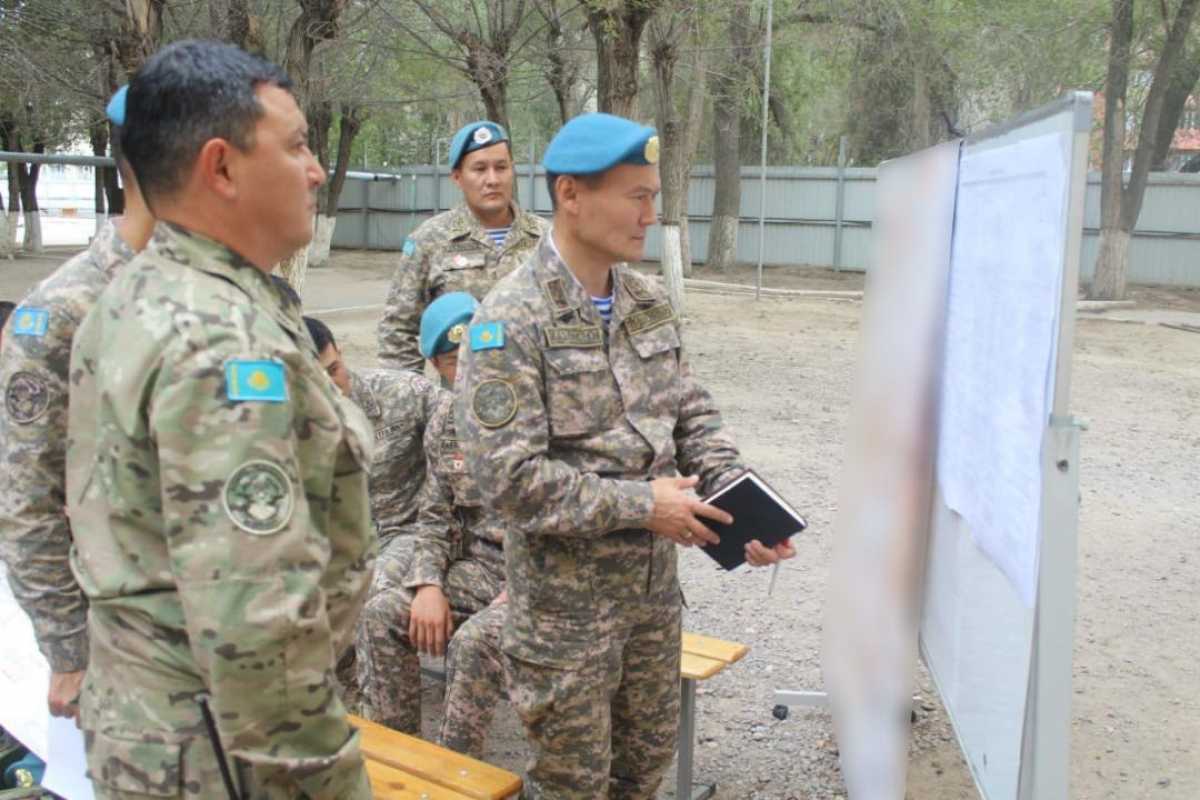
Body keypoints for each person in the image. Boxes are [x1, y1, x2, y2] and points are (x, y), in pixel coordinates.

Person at [65, 41, 374, 799]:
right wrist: (325, 778)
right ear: (223, 168)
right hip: (226, 751)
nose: (316, 169)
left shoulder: (151, 289)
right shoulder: (220, 341)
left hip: (169, 729)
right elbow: (255, 621)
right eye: (297, 144)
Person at [455, 112, 796, 799]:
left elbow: (690, 412)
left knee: (641, 777)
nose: (651, 214)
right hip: (563, 622)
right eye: (635, 196)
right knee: (571, 787)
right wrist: (646, 506)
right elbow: (508, 480)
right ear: (571, 195)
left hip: (649, 605)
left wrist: (738, 503)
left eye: (654, 196)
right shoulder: (509, 320)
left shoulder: (645, 302)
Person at [0, 86, 155, 723]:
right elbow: (26, 496)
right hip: (120, 639)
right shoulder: (63, 311)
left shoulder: (231, 295)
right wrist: (68, 650)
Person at [355, 291, 508, 743]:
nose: (467, 368)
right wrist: (428, 584)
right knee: (381, 614)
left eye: (476, 351)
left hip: (550, 577)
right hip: (481, 570)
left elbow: (573, 518)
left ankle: (459, 777)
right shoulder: (446, 419)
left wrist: (525, 587)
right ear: (437, 367)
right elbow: (434, 514)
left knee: (473, 643)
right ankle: (398, 763)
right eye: (450, 360)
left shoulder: (549, 407)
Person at [303, 314, 440, 709]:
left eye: (335, 370)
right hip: (339, 544)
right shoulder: (286, 429)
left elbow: (465, 437)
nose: (332, 386)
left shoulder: (402, 394)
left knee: (367, 594)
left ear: (341, 354)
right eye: (316, 380)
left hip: (407, 532)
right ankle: (359, 700)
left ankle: (383, 719)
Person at [376, 120, 549, 372]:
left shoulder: (547, 239)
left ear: (512, 170)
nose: (492, 179)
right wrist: (418, 400)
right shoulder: (430, 240)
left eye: (501, 167)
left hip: (537, 400)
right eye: (479, 169)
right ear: (457, 177)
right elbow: (397, 330)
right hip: (459, 401)